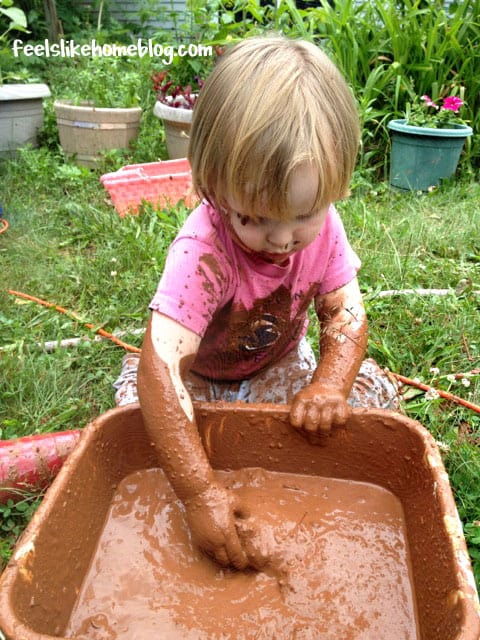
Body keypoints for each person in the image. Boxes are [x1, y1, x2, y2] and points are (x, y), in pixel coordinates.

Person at [113, 35, 399, 571]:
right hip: (199, 376)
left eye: (304, 215)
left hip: (277, 364)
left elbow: (346, 315)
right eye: (255, 217)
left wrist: (330, 385)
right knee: (135, 417)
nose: (284, 238)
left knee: (373, 396)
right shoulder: (204, 251)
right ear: (212, 189)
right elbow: (162, 364)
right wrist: (199, 493)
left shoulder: (327, 229)